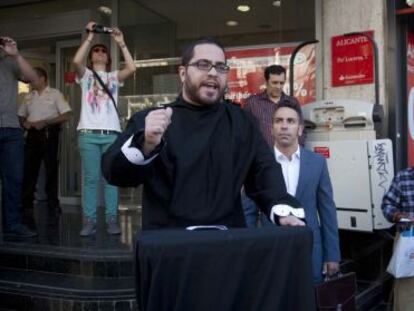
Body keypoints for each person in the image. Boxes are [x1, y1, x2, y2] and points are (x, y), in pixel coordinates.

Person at [102, 37, 304, 230]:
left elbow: (264, 170)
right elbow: (114, 172)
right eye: (203, 64)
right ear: (182, 73)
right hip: (169, 248)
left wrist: (281, 209)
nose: (213, 73)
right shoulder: (150, 121)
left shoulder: (242, 122)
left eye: (220, 67)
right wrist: (145, 144)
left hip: (227, 245)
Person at [262, 98, 340, 282]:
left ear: (300, 128)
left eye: (290, 121)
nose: (284, 126)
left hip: (310, 250)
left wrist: (332, 255)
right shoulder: (260, 164)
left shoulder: (317, 163)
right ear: (271, 128)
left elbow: (327, 210)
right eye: (279, 121)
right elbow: (248, 212)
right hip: (269, 251)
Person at [72, 21, 136, 236]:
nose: (99, 53)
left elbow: (132, 68)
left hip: (111, 134)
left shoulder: (114, 77)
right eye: (96, 51)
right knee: (90, 180)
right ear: (91, 57)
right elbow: (75, 61)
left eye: (103, 51)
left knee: (111, 179)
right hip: (88, 134)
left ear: (108, 58)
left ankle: (111, 219)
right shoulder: (85, 76)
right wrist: (90, 36)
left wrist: (121, 43)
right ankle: (89, 220)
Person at [242, 65, 302, 227]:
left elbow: (299, 130)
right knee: (249, 209)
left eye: (282, 83)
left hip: (286, 161)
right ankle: (250, 245)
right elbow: (244, 135)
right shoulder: (252, 103)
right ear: (266, 82)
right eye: (274, 83)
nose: (278, 87)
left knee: (283, 207)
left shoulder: (291, 102)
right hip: (258, 166)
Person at [18, 67, 71, 228]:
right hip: (32, 134)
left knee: (51, 170)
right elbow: (21, 114)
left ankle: (52, 204)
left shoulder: (55, 94)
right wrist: (24, 122)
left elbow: (66, 115)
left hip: (49, 134)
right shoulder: (29, 96)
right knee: (29, 170)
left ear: (43, 79)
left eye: (34, 78)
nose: (32, 81)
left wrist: (46, 122)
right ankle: (26, 205)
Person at [0, 36, 39, 238]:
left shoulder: (9, 61)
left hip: (11, 129)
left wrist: (15, 54)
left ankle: (12, 224)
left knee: (14, 180)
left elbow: (33, 78)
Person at [382, 167, 414, 311]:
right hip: (408, 240)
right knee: (406, 290)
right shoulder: (403, 176)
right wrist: (396, 215)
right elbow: (387, 204)